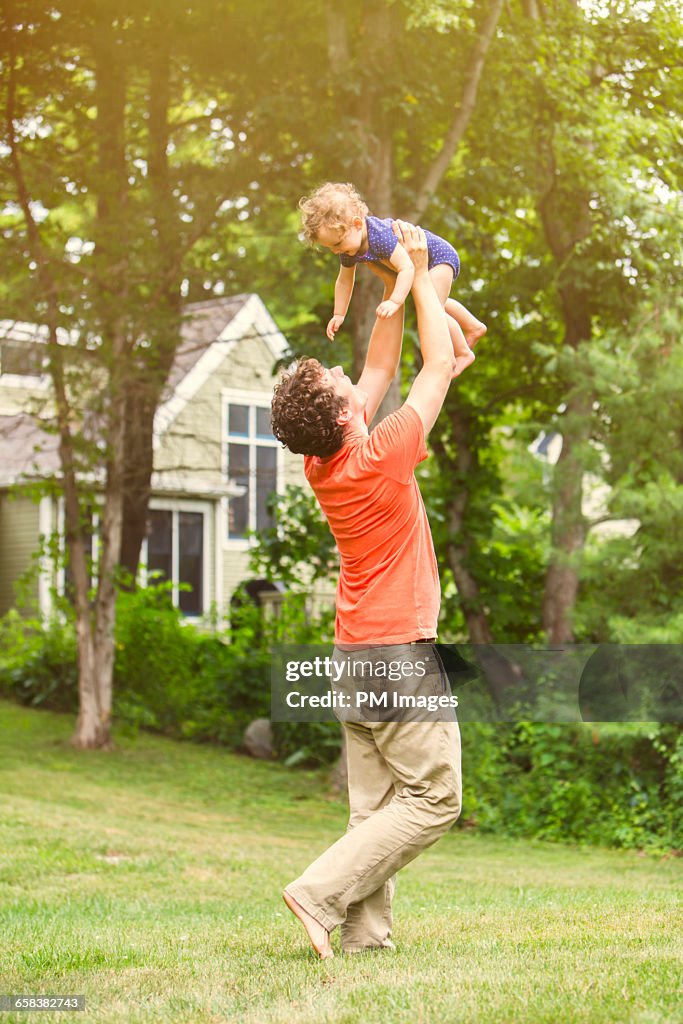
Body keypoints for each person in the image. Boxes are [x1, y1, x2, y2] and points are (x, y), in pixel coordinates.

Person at [270, 221, 462, 958]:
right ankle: (316, 893)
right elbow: (435, 363)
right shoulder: (383, 452)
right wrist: (421, 271)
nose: (344, 372)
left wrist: (390, 282)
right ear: (344, 412)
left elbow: (381, 361)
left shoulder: (325, 462)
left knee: (373, 806)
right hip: (396, 652)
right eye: (335, 378)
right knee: (435, 799)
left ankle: (364, 939)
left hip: (353, 654)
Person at [299, 181, 486, 377]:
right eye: (330, 247)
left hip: (438, 258)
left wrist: (395, 301)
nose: (335, 250)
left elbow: (406, 268)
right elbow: (344, 281)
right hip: (425, 262)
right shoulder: (349, 248)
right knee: (434, 301)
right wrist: (339, 314)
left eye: (337, 243)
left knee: (432, 310)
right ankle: (473, 326)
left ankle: (463, 352)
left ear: (357, 224)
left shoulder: (379, 236)